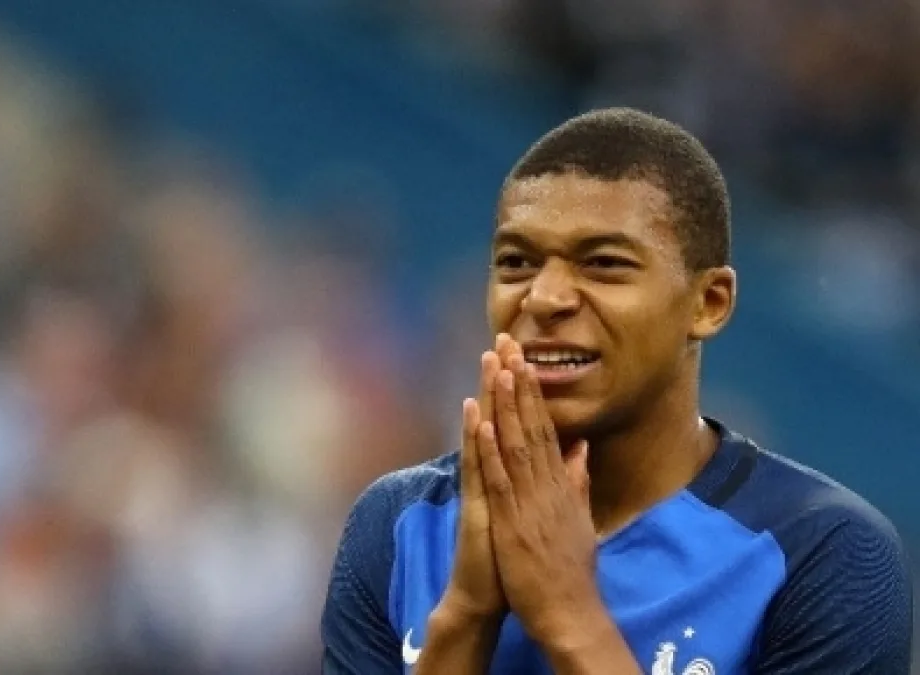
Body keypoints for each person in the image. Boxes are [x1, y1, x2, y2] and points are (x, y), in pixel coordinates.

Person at [320, 107, 913, 674]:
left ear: (709, 303)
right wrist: (465, 617)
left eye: (603, 263)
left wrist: (568, 614)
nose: (543, 298)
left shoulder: (822, 553)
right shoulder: (398, 526)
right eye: (516, 262)